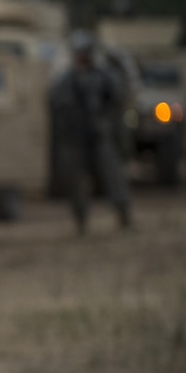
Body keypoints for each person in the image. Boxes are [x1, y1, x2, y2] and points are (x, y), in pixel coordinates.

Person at [49, 30, 133, 233]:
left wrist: (107, 121)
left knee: (112, 174)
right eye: (79, 52)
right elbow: (57, 105)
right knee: (76, 180)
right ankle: (81, 220)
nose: (83, 56)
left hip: (99, 133)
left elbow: (118, 98)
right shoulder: (66, 80)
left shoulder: (103, 76)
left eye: (85, 51)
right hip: (76, 137)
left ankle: (123, 213)